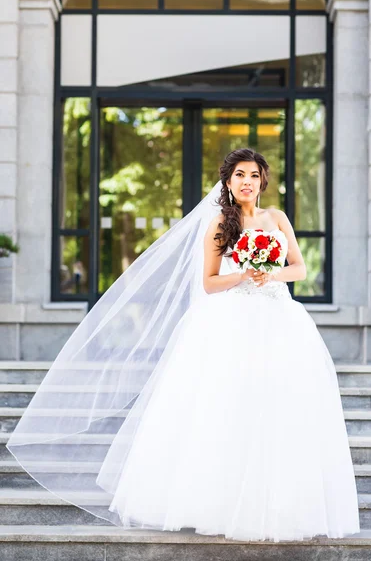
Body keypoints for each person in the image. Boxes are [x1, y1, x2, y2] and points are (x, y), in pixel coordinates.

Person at [6, 148, 360, 543]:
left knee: (279, 404)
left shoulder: (277, 218)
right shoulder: (218, 226)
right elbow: (210, 282)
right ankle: (221, 502)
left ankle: (277, 503)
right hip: (232, 322)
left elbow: (300, 267)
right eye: (239, 174)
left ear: (263, 182)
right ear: (228, 182)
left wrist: (270, 273)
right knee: (229, 405)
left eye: (254, 175)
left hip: (279, 320)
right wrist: (244, 272)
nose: (247, 181)